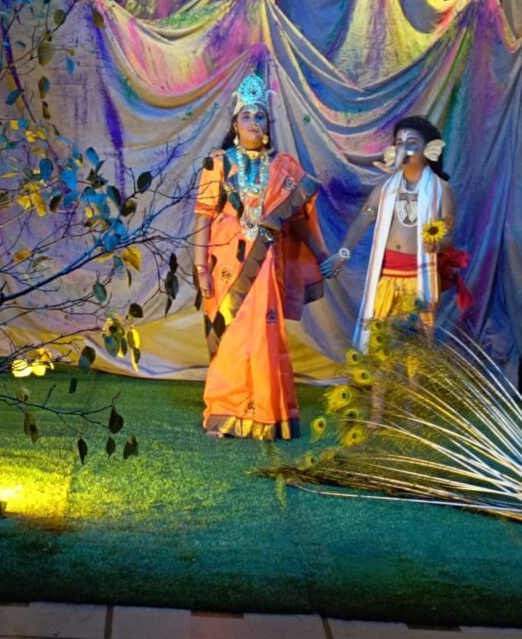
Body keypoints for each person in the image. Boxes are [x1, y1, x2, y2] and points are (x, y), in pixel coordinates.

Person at [192, 73, 328, 440]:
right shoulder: (219, 163)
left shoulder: (284, 167)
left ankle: (268, 414)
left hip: (266, 263)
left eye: (260, 116)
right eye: (247, 116)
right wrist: (200, 268)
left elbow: (298, 220)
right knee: (232, 336)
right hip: (225, 264)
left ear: (268, 124)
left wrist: (321, 255)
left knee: (265, 335)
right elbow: (202, 216)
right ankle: (225, 412)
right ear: (235, 124)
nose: (254, 122)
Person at [321, 116, 456, 349]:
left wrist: (438, 244)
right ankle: (376, 375)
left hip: (418, 278)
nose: (404, 148)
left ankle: (414, 374)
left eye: (412, 143)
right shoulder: (385, 188)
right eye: (399, 143)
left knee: (416, 343)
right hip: (386, 275)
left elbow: (448, 235)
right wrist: (343, 253)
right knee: (377, 339)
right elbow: (365, 217)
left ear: (430, 150)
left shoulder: (441, 189)